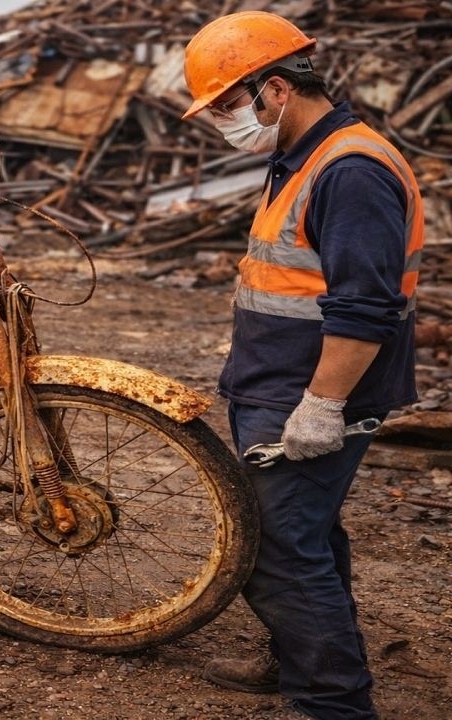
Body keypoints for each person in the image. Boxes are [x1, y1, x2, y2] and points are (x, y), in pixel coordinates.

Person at [180, 11, 423, 720]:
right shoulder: (305, 155)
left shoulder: (350, 171)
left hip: (309, 397)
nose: (222, 122)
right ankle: (297, 655)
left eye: (228, 105)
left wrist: (322, 406)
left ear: (276, 89)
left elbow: (364, 308)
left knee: (280, 549)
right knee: (305, 533)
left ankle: (333, 702)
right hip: (280, 386)